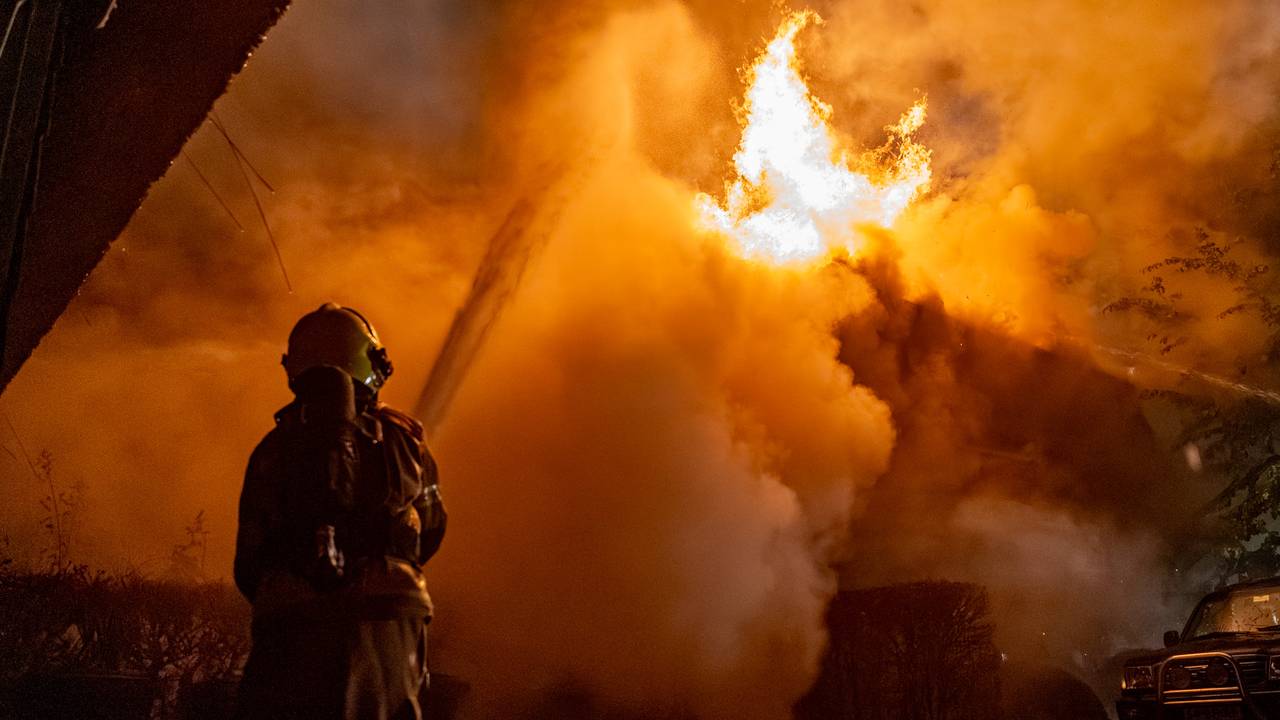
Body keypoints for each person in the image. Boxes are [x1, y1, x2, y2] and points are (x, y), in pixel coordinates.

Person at [233, 303, 446, 720]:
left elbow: (248, 564)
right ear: (371, 361)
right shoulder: (408, 446)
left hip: (290, 629)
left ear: (295, 368)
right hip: (390, 628)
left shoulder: (272, 452)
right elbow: (433, 531)